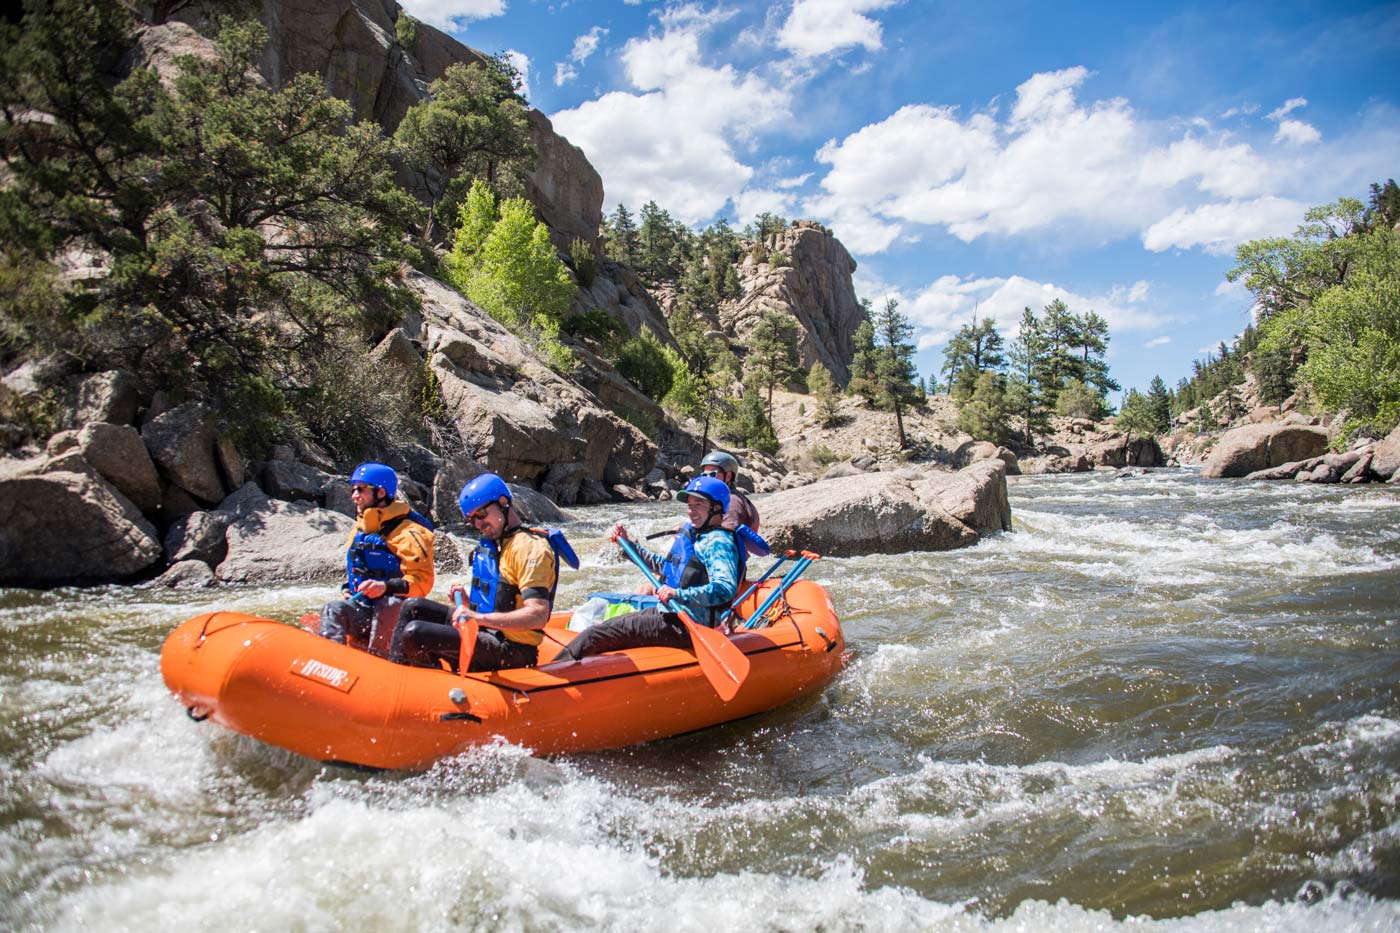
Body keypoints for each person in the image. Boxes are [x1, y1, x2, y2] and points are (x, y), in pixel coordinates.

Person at [392, 473, 572, 672]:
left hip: (512, 650)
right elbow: (503, 600)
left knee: (417, 633)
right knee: (413, 607)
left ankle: (427, 688)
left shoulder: (531, 548)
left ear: (503, 502)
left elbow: (538, 614)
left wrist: (477, 618)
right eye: (472, 520)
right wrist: (470, 604)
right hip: (487, 632)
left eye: (481, 515)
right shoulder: (499, 544)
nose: (478, 525)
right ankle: (398, 674)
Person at [554, 475, 740, 662]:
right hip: (669, 614)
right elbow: (664, 567)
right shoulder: (698, 536)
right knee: (603, 627)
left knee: (594, 635)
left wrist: (677, 594)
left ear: (716, 508)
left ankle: (553, 676)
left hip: (685, 624)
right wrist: (628, 546)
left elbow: (724, 588)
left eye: (698, 505)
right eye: (689, 505)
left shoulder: (718, 542)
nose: (691, 512)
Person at [319, 462, 435, 657]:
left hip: (397, 615)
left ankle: (381, 660)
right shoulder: (359, 530)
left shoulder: (410, 532)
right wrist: (348, 590)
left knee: (388, 604)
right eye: (353, 489)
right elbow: (357, 570)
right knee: (334, 608)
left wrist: (385, 587)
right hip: (364, 609)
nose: (354, 495)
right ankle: (331, 662)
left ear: (381, 493)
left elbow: (423, 582)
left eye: (361, 489)